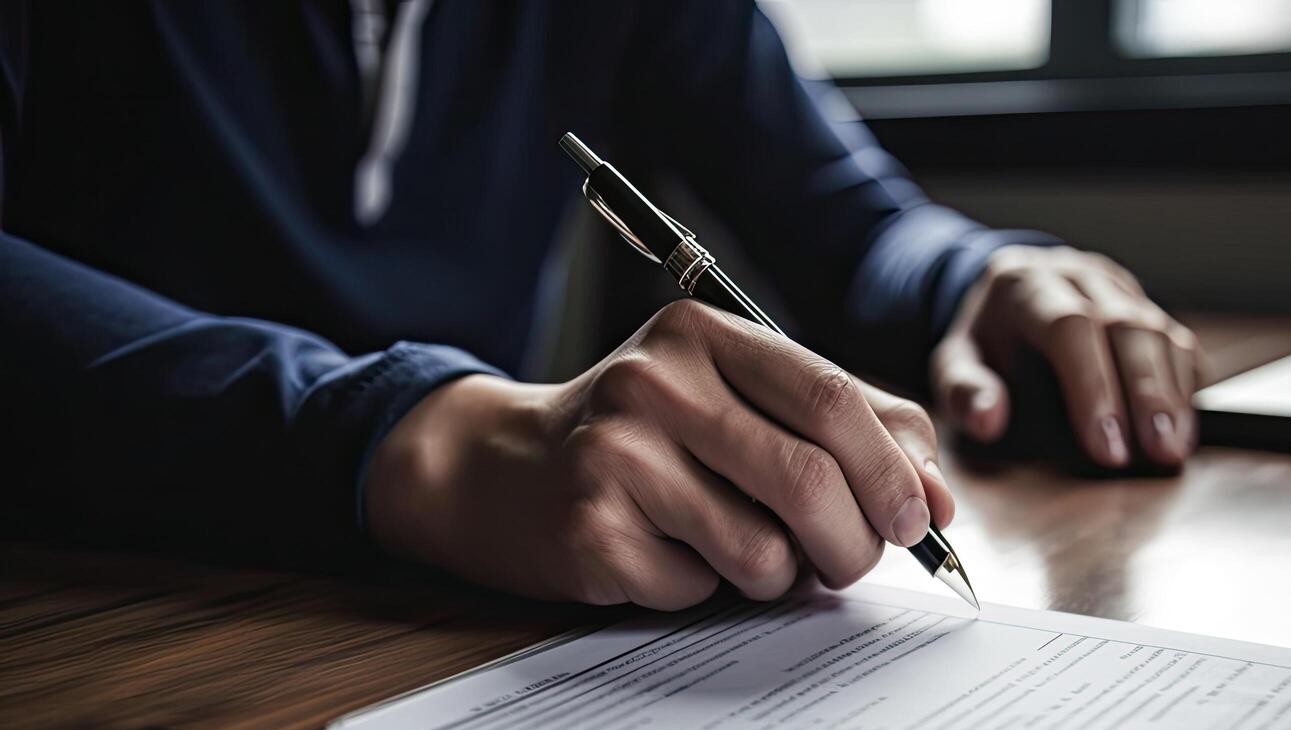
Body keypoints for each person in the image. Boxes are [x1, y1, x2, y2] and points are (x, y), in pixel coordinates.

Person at [0, 1, 1199, 610]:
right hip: (92, 618)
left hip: (469, 638)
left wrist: (968, 278)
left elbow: (848, 222)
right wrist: (406, 430)